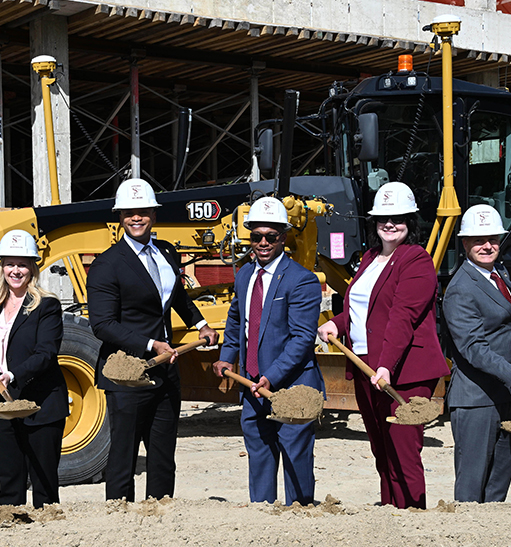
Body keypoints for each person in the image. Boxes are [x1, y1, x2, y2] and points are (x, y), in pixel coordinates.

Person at [316, 182, 449, 509]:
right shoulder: (371, 258)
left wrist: (386, 366)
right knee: (382, 451)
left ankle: (413, 516)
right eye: (383, 218)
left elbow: (402, 317)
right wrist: (338, 322)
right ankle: (390, 515)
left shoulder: (416, 260)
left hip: (403, 374)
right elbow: (363, 310)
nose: (390, 224)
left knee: (404, 451)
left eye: (399, 218)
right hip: (366, 368)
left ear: (411, 220)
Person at [87, 178, 218, 502]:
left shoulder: (167, 253)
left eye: (142, 211)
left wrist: (201, 324)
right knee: (123, 456)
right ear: (119, 216)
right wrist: (149, 344)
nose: (136, 217)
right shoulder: (107, 264)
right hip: (127, 374)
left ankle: (160, 513)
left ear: (153, 214)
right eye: (129, 212)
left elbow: (177, 299)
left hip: (165, 372)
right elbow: (102, 324)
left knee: (162, 454)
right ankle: (119, 515)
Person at [212, 197, 323, 506]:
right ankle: (261, 518)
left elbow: (301, 339)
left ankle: (299, 515)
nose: (262, 243)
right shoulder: (245, 275)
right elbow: (237, 321)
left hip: (291, 387)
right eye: (256, 236)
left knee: (295, 455)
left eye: (270, 236)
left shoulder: (303, 281)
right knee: (259, 454)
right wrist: (226, 355)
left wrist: (271, 378)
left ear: (283, 237)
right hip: (252, 386)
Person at [442, 205, 511, 503]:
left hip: (504, 394)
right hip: (476, 400)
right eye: (478, 240)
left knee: (498, 481)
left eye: (492, 239)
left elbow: (499, 321)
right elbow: (473, 347)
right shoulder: (460, 289)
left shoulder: (496, 273)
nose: (487, 246)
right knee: (472, 486)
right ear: (465, 243)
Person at [0, 230, 67, 508]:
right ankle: (11, 525)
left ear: (33, 268)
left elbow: (46, 353)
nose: (16, 270)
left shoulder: (46, 305)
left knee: (43, 478)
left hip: (40, 402)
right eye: (10, 263)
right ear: (1, 267)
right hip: (1, 404)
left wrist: (12, 374)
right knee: (9, 475)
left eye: (22, 264)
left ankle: (45, 530)